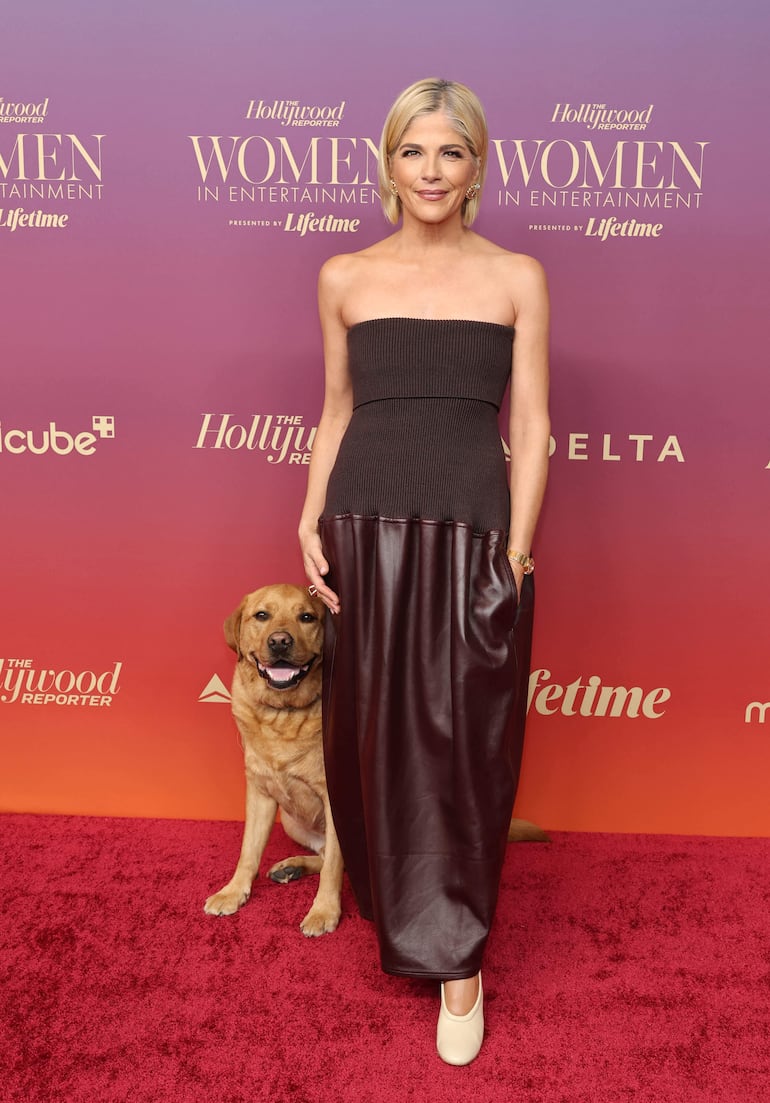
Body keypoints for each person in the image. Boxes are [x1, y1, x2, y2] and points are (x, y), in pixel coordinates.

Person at [298, 77, 550, 1066]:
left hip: (473, 529)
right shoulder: (343, 275)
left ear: (474, 164)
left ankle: (458, 958)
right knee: (374, 739)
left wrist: (517, 546)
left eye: (449, 152)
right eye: (413, 152)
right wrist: (309, 516)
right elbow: (334, 412)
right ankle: (403, 916)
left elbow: (528, 424)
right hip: (362, 520)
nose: (430, 171)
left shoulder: (515, 276)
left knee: (462, 743)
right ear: (388, 163)